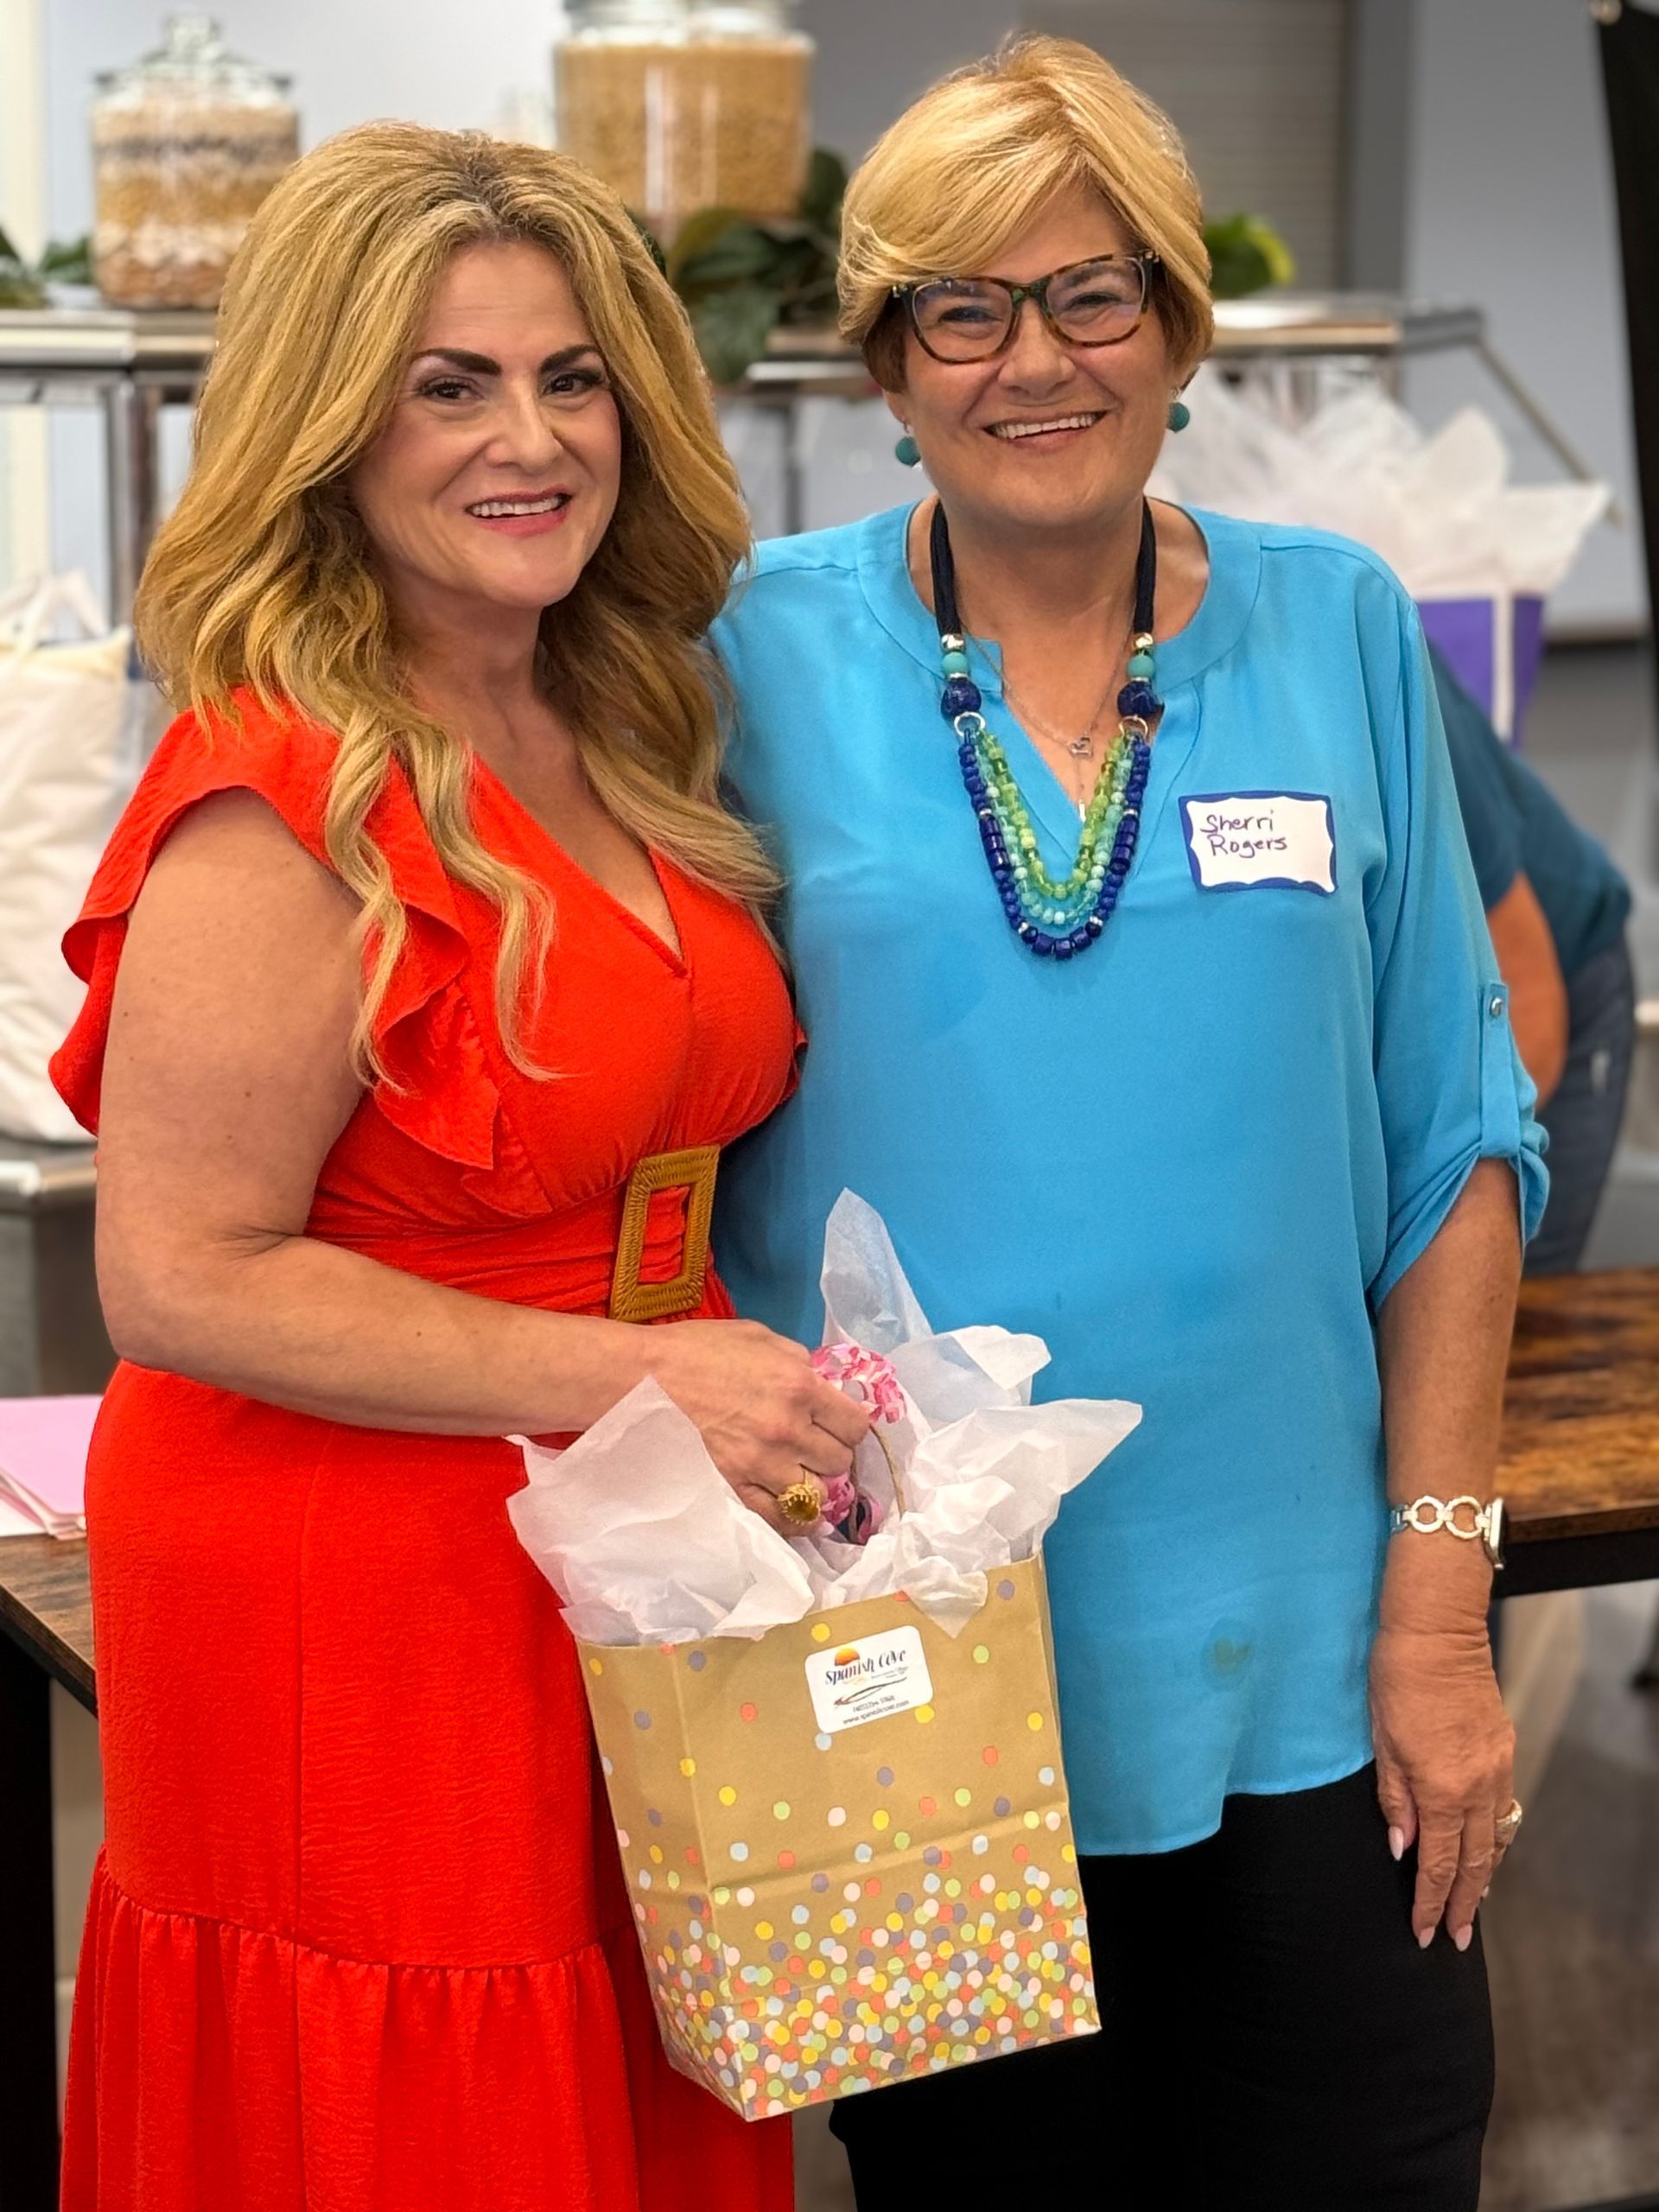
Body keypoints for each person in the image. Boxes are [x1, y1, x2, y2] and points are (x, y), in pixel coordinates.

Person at [710, 37, 1547, 2210]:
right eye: (957, 311)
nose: (1030, 359)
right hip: (922, 1659)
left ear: (1180, 325)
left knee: (1363, 2160)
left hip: (1321, 1656)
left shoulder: (1334, 620)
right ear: (882, 358)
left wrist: (1436, 1607)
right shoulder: (746, 656)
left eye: (1092, 294)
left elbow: (1452, 1138)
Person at [48, 124, 868, 2212]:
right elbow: (178, 1273)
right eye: (451, 382)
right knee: (424, 2121)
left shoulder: (608, 714)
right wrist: (644, 1373)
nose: (534, 437)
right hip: (357, 1585)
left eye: (571, 375)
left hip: (618, 1548)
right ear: (329, 430)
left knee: (624, 2086)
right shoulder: (277, 788)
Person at [1431, 646, 1635, 1272]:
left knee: (1502, 1304)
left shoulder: (1374, 666)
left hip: (1557, 985)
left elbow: (1533, 1009)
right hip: (1439, 993)